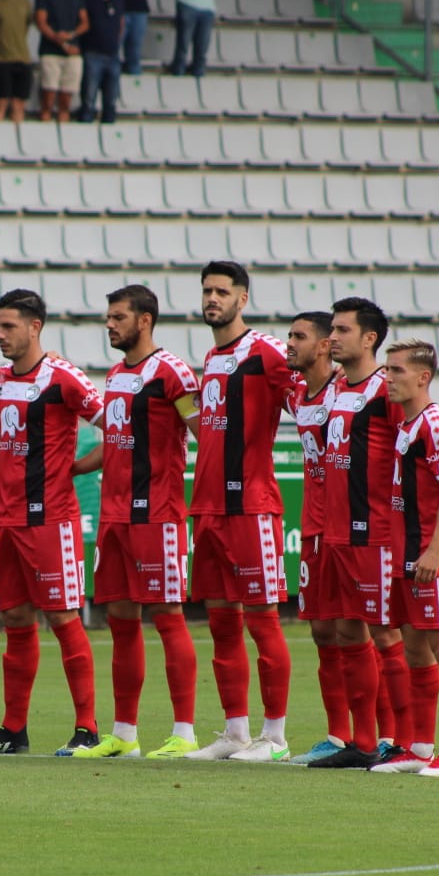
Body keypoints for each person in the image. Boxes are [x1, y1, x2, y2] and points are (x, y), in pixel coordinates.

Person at [0, 288, 105, 755]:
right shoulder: (1, 379)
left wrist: (77, 468)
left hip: (51, 520)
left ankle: (87, 729)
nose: (0, 335)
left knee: (62, 617)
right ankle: (13, 731)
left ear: (34, 327)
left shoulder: (64, 378)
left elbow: (117, 426)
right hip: (7, 521)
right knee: (16, 621)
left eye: (9, 326)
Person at [69, 285, 201, 759]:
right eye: (108, 317)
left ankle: (184, 733)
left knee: (167, 616)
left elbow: (203, 432)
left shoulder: (172, 373)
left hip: (156, 514)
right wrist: (74, 468)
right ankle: (124, 736)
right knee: (121, 622)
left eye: (118, 317)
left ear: (144, 320)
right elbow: (116, 440)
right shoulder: (117, 374)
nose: (110, 324)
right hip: (115, 515)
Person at [184, 261, 297, 763]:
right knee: (221, 624)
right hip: (207, 507)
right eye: (207, 291)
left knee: (263, 622)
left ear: (242, 299)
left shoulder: (265, 351)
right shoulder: (212, 357)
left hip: (251, 506)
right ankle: (235, 732)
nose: (212, 298)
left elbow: (308, 399)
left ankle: (275, 738)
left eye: (222, 291)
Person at [306, 297, 410, 769]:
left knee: (386, 637)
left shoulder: (386, 391)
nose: (333, 337)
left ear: (369, 339)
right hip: (335, 533)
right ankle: (364, 743)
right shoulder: (333, 389)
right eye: (331, 329)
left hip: (374, 534)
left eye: (342, 330)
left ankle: (404, 742)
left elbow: (410, 453)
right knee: (348, 634)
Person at [374, 339, 439, 777]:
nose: (388, 377)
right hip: (406, 556)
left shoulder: (435, 422)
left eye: (396, 370)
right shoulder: (406, 424)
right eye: (387, 369)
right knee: (415, 652)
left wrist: (434, 550)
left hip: (437, 559)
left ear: (423, 377)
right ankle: (417, 748)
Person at [283, 311, 351, 766]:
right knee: (323, 632)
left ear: (325, 345)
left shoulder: (349, 391)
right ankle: (338, 735)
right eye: (289, 335)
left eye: (299, 336)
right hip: (313, 527)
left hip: (349, 527)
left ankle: (386, 735)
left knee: (360, 631)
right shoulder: (296, 392)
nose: (289, 343)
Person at [33, 0, 88, 123]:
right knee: (48, 97)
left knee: (65, 101)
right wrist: (59, 40)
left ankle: (63, 128)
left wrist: (71, 35)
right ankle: (45, 125)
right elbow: (41, 22)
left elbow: (85, 23)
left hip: (72, 53)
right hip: (50, 52)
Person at [78, 0, 123, 124]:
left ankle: (109, 125)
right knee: (89, 97)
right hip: (93, 53)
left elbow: (120, 22)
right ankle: (86, 123)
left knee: (111, 99)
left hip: (112, 54)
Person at [166, 0, 218, 78]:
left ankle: (198, 75)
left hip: (207, 7)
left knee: (202, 48)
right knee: (183, 45)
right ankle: (178, 74)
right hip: (187, 2)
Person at [116, 0, 148, 74]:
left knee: (135, 51)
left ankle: (134, 76)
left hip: (138, 7)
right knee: (114, 48)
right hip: (118, 7)